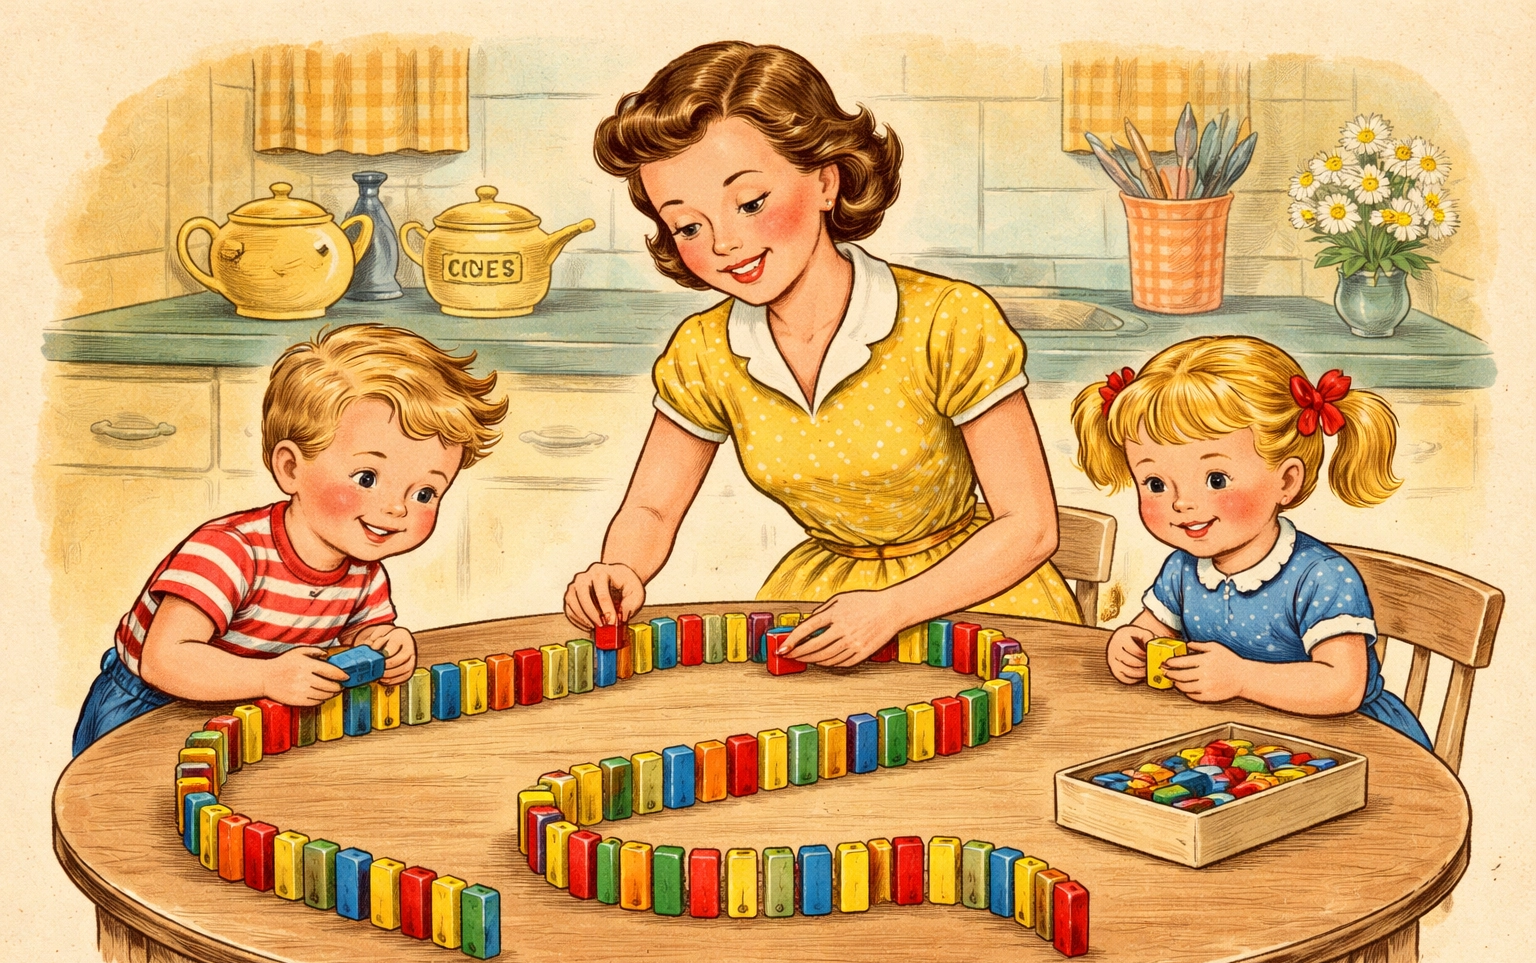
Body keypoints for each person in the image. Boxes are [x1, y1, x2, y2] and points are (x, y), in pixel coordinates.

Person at [563, 41, 1080, 666]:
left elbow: (1030, 527)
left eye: (750, 203)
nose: (725, 242)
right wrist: (618, 569)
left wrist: (889, 609)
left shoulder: (947, 319)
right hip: (821, 604)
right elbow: (651, 506)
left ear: (827, 181)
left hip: (977, 600)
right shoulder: (703, 352)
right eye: (689, 225)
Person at [71, 325, 507, 755]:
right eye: (367, 478)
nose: (397, 508)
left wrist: (386, 645)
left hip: (249, 709)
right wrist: (266, 678)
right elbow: (164, 660)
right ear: (290, 468)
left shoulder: (363, 570)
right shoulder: (229, 552)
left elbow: (363, 633)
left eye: (425, 493)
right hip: (147, 707)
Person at [1071, 335, 1430, 748]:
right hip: (1243, 738)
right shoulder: (1184, 568)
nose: (1182, 503)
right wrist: (1129, 646)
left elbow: (1342, 686)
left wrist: (1241, 677)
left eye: (1216, 480)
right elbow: (1151, 631)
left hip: (1347, 741)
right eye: (1155, 483)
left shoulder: (1321, 577)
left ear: (1287, 481)